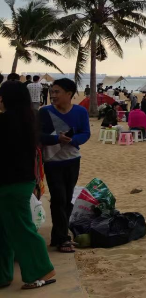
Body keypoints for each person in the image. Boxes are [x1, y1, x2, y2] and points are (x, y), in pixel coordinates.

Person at [0, 80, 58, 290]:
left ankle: (41, 270)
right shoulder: (28, 119)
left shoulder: (6, 121)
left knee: (20, 229)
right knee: (6, 229)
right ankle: (3, 274)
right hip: (22, 181)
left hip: (10, 184)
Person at [39, 78, 90, 253]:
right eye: (52, 92)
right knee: (58, 198)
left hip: (73, 160)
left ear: (69, 94)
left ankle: (58, 236)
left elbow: (85, 133)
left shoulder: (80, 111)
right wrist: (56, 138)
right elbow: (38, 135)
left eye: (57, 92)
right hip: (52, 162)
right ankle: (63, 239)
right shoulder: (44, 112)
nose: (53, 95)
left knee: (67, 200)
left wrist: (72, 140)